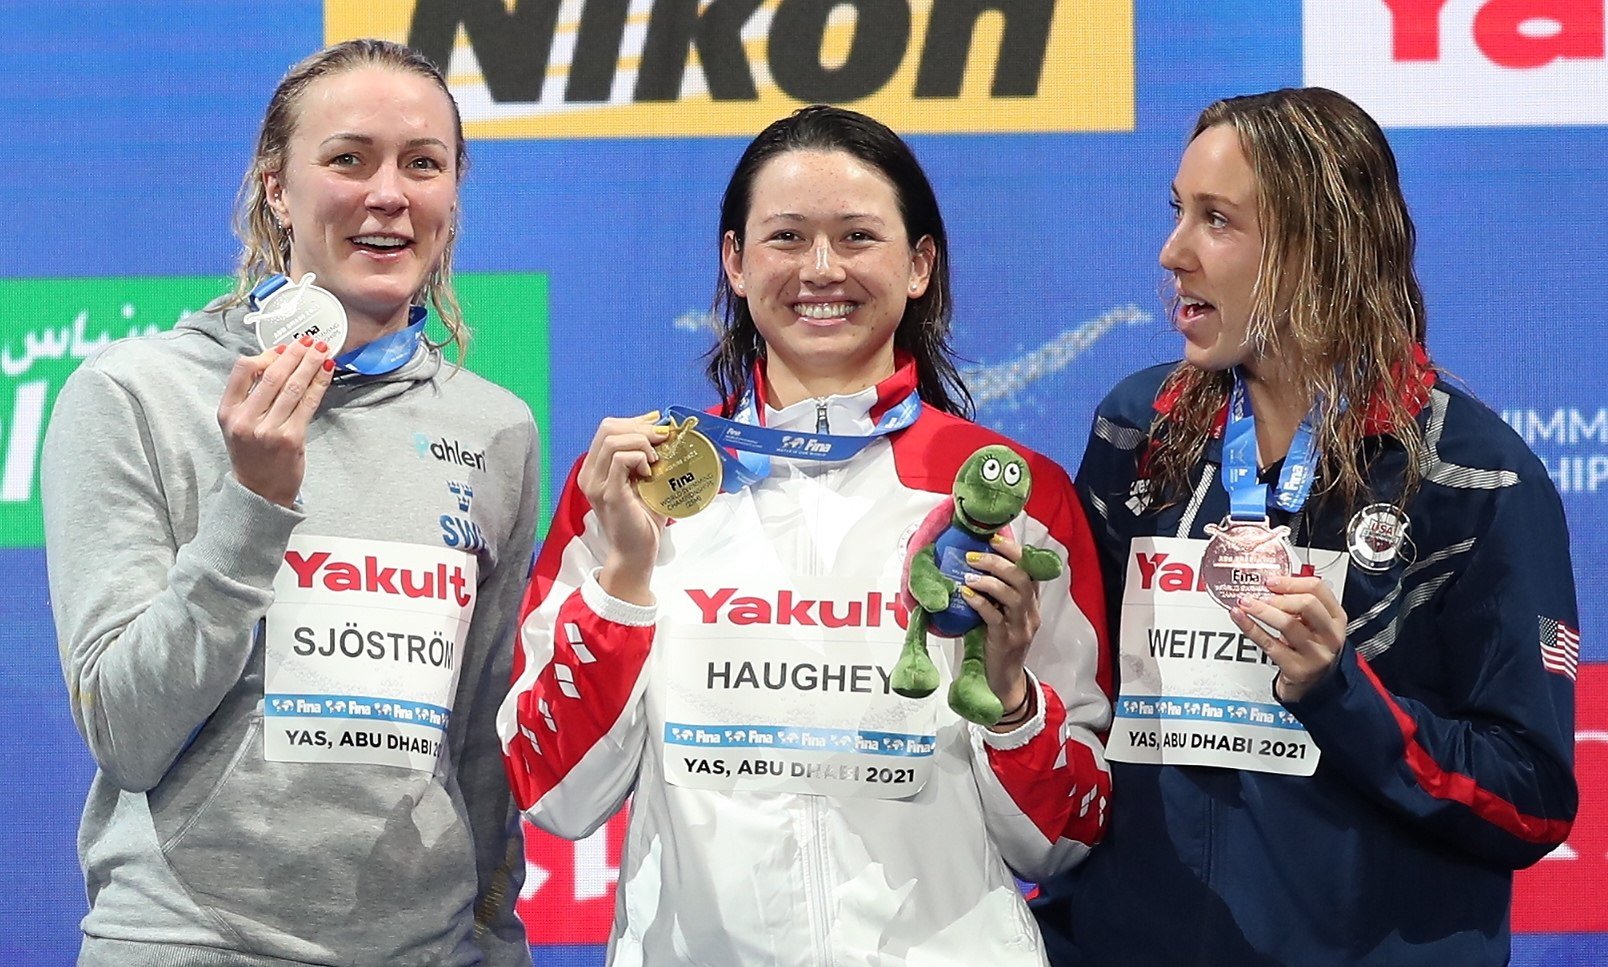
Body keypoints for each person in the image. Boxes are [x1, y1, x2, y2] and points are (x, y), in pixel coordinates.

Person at [497, 105, 1113, 964]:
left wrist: (1010, 699)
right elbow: (551, 793)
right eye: (786, 237)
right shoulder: (636, 487)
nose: (821, 269)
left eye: (857, 236)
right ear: (736, 263)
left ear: (919, 265)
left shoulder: (1015, 498)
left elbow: (1066, 838)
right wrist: (626, 579)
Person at [1031, 87, 1579, 966]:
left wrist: (1338, 691)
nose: (1172, 253)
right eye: (1179, 212)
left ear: (1319, 249)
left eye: (1217, 221)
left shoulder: (1474, 480)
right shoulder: (1138, 430)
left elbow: (1532, 799)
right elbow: (1079, 706)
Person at [41, 39, 538, 966]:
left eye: (423, 163)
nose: (388, 193)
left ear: (453, 192)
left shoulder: (496, 427)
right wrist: (253, 505)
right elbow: (127, 733)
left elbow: (480, 742)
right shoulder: (133, 394)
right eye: (349, 158)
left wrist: (493, 935)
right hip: (188, 940)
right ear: (278, 189)